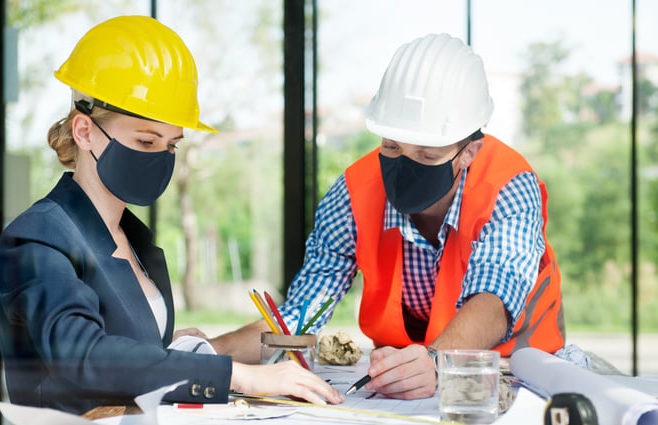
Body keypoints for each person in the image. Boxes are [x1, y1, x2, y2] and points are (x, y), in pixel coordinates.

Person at [0, 15, 342, 415]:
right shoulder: (38, 236)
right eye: (146, 141)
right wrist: (237, 375)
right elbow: (84, 356)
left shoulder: (133, 239)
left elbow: (131, 353)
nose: (160, 157)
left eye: (171, 144)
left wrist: (178, 350)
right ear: (84, 131)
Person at [211, 33, 565, 399]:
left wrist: (436, 361)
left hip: (517, 375)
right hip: (401, 385)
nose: (406, 164)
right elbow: (301, 313)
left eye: (427, 155)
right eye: (392, 146)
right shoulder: (353, 192)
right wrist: (207, 353)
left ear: (469, 151)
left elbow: (494, 299)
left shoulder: (508, 185)